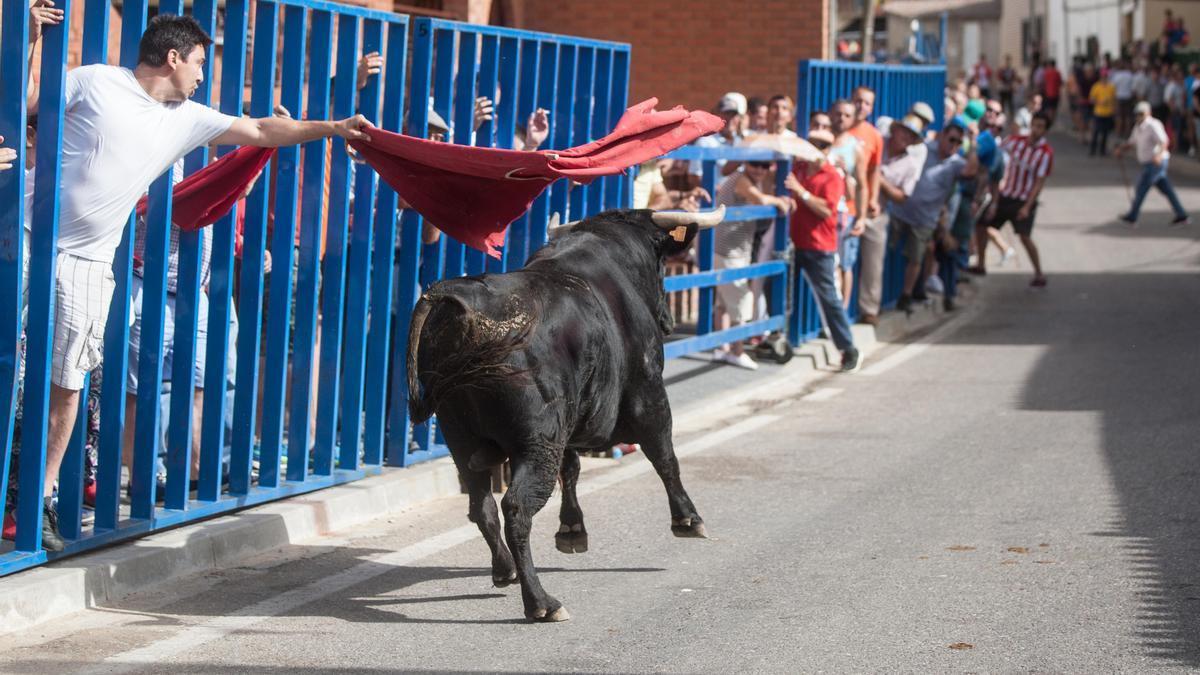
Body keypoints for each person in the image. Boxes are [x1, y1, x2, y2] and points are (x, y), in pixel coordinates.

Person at [18, 14, 370, 551]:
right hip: (24, 241)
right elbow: (27, 103)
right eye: (201, 62)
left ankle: (38, 501)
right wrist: (32, 37)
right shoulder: (96, 80)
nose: (204, 74)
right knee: (13, 373)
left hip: (90, 262)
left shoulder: (186, 117)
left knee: (67, 387)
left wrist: (334, 127)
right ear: (174, 57)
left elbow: (260, 130)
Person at [785, 128, 859, 372]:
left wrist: (801, 192)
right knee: (786, 295)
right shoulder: (798, 169)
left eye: (824, 145)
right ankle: (783, 340)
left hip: (820, 247)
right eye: (814, 143)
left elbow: (827, 210)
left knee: (829, 300)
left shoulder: (832, 176)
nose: (818, 149)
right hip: (795, 242)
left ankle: (848, 348)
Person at [889, 116, 978, 313]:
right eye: (951, 139)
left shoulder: (955, 163)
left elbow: (971, 170)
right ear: (942, 136)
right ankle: (887, 295)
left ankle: (905, 295)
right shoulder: (925, 149)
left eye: (958, 142)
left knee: (916, 258)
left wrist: (973, 143)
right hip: (900, 210)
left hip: (925, 219)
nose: (954, 145)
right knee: (890, 252)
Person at [711, 162, 794, 370]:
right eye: (755, 164)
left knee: (723, 302)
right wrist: (780, 200)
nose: (760, 169)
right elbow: (760, 199)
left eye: (764, 166)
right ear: (746, 163)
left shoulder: (744, 179)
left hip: (728, 246)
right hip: (731, 249)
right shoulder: (741, 179)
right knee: (741, 300)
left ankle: (721, 347)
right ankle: (737, 351)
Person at [982, 111, 1054, 286]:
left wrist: (1027, 206)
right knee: (982, 224)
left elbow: (1039, 182)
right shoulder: (1016, 141)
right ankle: (980, 264)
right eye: (1034, 125)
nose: (1036, 130)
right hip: (1006, 194)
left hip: (1023, 200)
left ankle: (1038, 273)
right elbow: (997, 155)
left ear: (1045, 130)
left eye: (1040, 127)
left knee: (1025, 237)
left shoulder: (1045, 153)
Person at [846, 86, 888, 325]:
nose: (862, 106)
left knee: (873, 259)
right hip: (844, 205)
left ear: (872, 108)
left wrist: (873, 199)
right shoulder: (841, 129)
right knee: (842, 264)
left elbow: (875, 170)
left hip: (865, 205)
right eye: (858, 101)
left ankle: (869, 309)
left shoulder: (874, 135)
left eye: (867, 103)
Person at [1115, 101, 1191, 227]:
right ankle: (1182, 215)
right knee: (1167, 190)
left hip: (1156, 163)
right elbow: (1132, 142)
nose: (1139, 116)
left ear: (1148, 112)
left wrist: (1159, 155)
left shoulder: (1153, 124)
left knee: (1141, 188)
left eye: (1141, 113)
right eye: (1137, 114)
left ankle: (1132, 216)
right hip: (1148, 163)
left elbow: (1164, 141)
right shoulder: (1138, 126)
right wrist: (1121, 149)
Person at [828, 100, 867, 310]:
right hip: (824, 213)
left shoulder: (855, 148)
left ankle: (841, 311)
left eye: (846, 115)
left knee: (844, 265)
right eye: (837, 113)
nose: (841, 118)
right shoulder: (821, 141)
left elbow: (862, 185)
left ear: (852, 120)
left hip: (846, 215)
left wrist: (861, 217)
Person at [1089, 68, 1117, 156]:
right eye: (1103, 76)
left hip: (1108, 113)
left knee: (1105, 133)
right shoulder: (1096, 86)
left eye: (1105, 76)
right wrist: (1100, 102)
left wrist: (1114, 109)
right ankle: (1092, 150)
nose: (1104, 78)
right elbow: (1092, 99)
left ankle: (1102, 150)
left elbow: (1114, 99)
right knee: (1096, 132)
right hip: (1099, 112)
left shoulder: (1111, 87)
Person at [1111, 59, 1136, 138]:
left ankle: (1119, 131)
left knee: (1119, 116)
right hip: (1128, 97)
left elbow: (1113, 87)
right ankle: (1127, 132)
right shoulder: (1129, 75)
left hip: (1119, 97)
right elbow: (1133, 87)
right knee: (1128, 116)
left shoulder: (1116, 75)